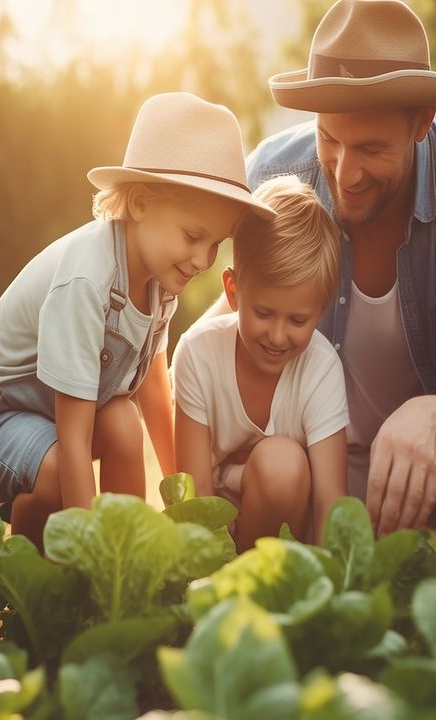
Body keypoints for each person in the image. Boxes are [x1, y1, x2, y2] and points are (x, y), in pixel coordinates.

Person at [237, 0, 436, 564]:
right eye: (330, 140)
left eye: (371, 149)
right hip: (314, 464)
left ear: (421, 122)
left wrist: (431, 415)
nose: (343, 173)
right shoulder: (270, 180)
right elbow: (217, 328)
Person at [0, 92, 274, 552]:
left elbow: (155, 393)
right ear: (139, 203)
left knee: (123, 420)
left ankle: (128, 553)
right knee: (63, 469)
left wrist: (189, 505)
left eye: (216, 243)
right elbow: (74, 437)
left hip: (52, 420)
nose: (202, 259)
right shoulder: (88, 281)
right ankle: (35, 552)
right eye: (193, 236)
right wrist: (91, 559)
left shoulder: (160, 280)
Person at [173, 175, 348, 550]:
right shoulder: (197, 353)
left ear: (321, 310)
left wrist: (333, 592)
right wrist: (204, 562)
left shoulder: (321, 368)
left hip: (283, 544)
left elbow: (331, 504)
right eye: (264, 313)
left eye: (298, 320)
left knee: (281, 463)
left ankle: (267, 596)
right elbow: (194, 497)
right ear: (233, 291)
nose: (278, 336)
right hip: (217, 536)